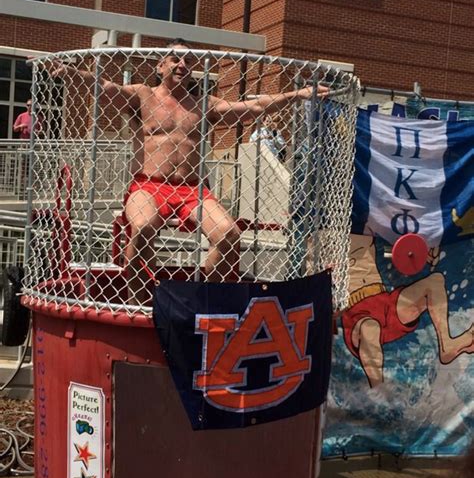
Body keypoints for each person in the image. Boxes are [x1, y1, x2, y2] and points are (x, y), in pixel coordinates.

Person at [52, 39, 329, 304]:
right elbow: (104, 87)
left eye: (188, 60)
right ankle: (141, 301)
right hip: (148, 184)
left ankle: (203, 299)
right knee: (142, 226)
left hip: (192, 190)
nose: (182, 64)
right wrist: (70, 72)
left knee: (229, 234)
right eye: (175, 59)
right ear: (160, 66)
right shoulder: (142, 96)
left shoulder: (204, 105)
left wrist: (298, 94)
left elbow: (254, 106)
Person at [342, 234, 474, 387]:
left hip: (384, 300)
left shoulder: (364, 220)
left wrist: (413, 253)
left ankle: (447, 345)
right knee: (368, 328)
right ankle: (379, 390)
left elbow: (381, 252)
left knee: (435, 282)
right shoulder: (322, 232)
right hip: (356, 312)